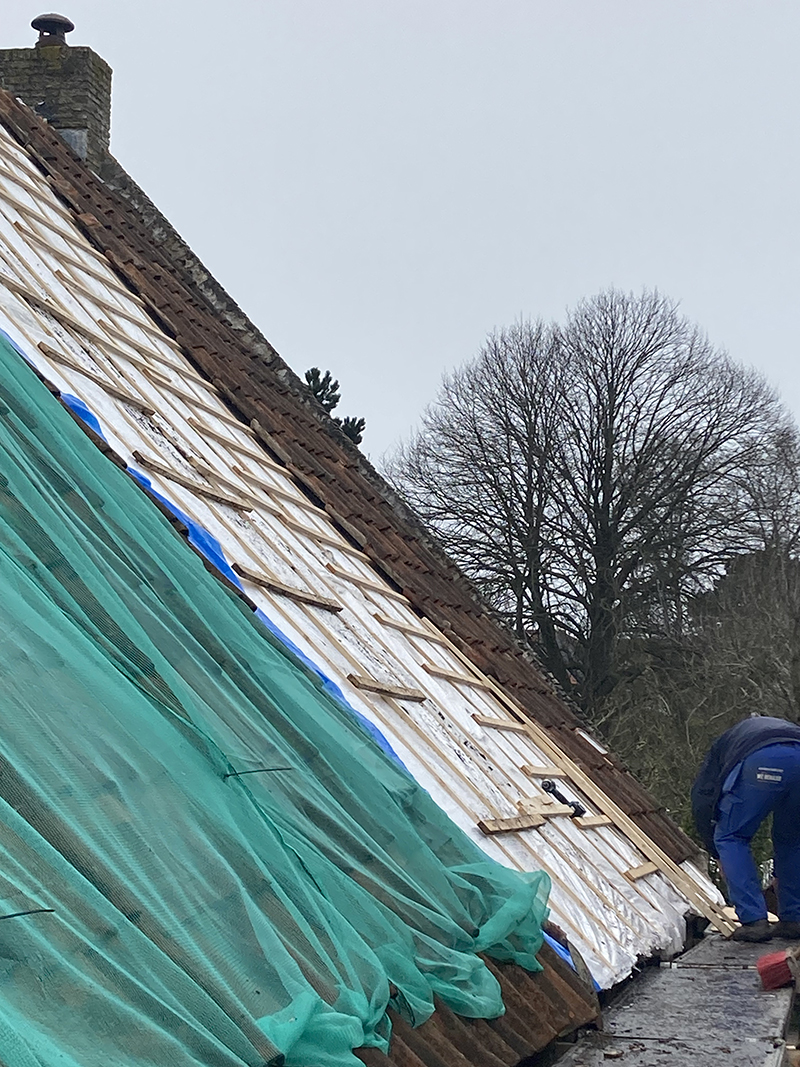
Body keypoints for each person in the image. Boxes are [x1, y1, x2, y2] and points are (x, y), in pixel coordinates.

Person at [691, 714, 800, 942]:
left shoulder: (722, 748)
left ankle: (754, 921)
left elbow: (702, 800)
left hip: (763, 760)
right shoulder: (778, 730)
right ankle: (793, 919)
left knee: (731, 836)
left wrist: (716, 852)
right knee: (792, 840)